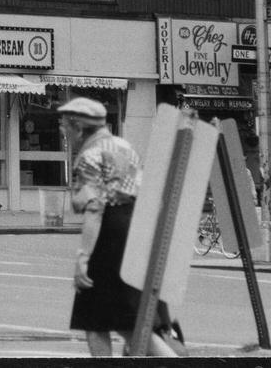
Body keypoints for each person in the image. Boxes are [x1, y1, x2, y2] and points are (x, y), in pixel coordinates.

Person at [60, 97, 182, 358]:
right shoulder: (125, 146)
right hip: (135, 228)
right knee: (129, 325)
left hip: (110, 234)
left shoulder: (89, 156)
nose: (63, 131)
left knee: (95, 322)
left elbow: (94, 207)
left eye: (65, 126)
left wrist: (83, 257)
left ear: (79, 127)